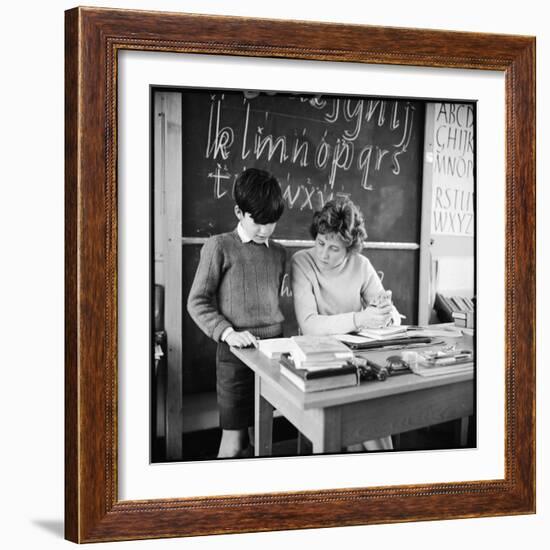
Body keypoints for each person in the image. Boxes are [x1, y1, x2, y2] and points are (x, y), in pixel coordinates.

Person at [187, 168, 286, 458]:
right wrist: (228, 333)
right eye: (258, 221)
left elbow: (270, 300)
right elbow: (198, 301)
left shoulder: (279, 252)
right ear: (239, 212)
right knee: (234, 442)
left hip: (272, 353)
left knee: (262, 438)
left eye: (272, 222)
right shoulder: (219, 246)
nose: (265, 229)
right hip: (235, 355)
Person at [290, 197, 399, 451]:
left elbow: (390, 313)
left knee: (369, 418)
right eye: (320, 243)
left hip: (357, 356)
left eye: (334, 248)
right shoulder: (302, 262)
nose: (323, 254)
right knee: (362, 425)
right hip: (319, 359)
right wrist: (360, 319)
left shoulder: (361, 265)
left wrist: (386, 313)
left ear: (350, 249)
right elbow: (309, 325)